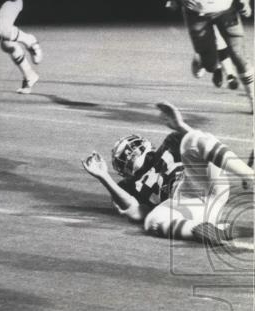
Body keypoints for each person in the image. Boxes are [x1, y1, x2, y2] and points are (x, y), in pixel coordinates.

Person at [82, 102, 253, 245]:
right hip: (188, 207)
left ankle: (249, 175)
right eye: (126, 154)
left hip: (196, 184)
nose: (130, 154)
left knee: (192, 139)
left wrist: (181, 127)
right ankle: (207, 230)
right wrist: (103, 177)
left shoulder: (168, 144)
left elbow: (198, 148)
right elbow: (136, 212)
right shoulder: (129, 186)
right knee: (152, 220)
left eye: (130, 150)